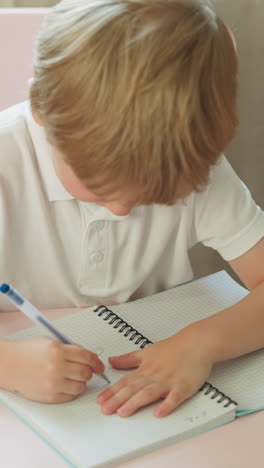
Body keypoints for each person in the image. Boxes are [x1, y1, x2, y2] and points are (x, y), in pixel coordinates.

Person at [0, 0, 263, 418]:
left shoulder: (193, 162)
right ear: (40, 110)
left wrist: (203, 342)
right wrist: (7, 365)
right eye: (98, 188)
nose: (122, 212)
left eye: (154, 196)